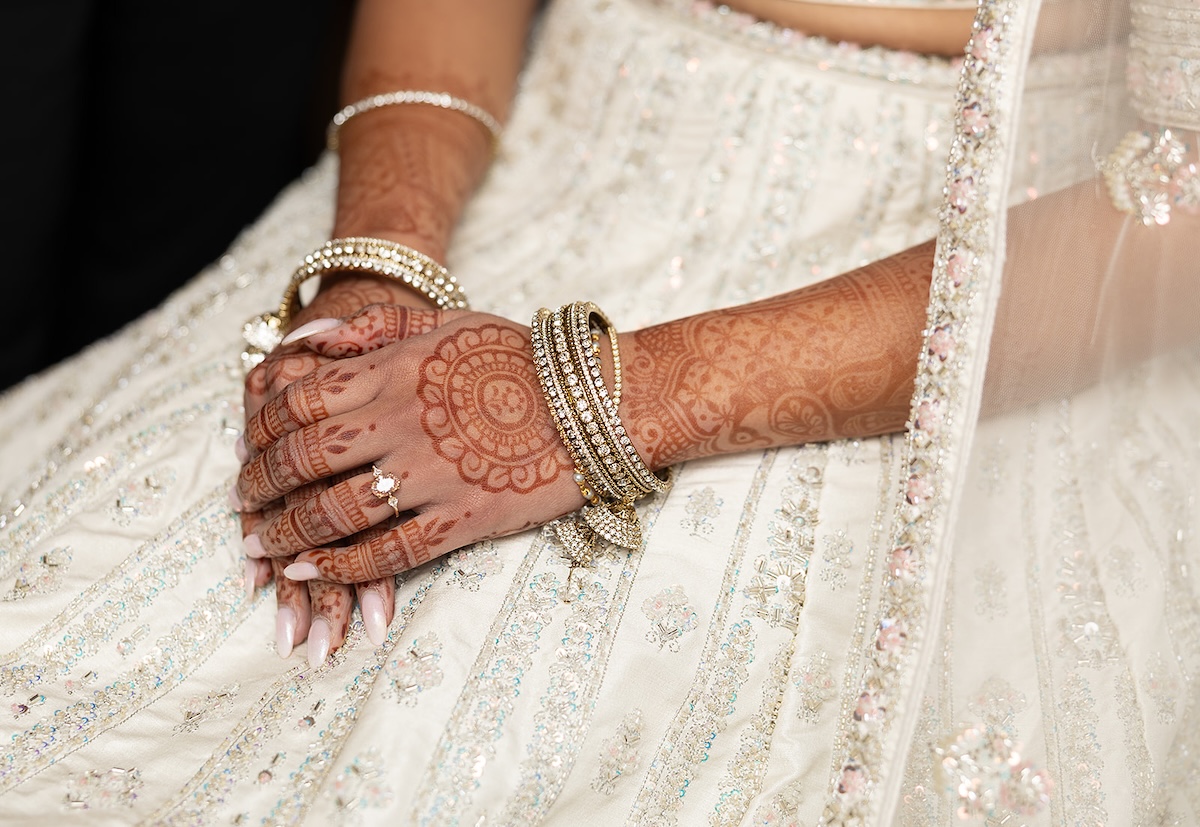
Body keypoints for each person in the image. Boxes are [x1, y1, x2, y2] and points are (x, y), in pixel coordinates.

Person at [0, 0, 1196, 824]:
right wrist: (380, 268)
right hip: (507, 166)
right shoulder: (397, 263)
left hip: (972, 291)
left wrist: (594, 398)